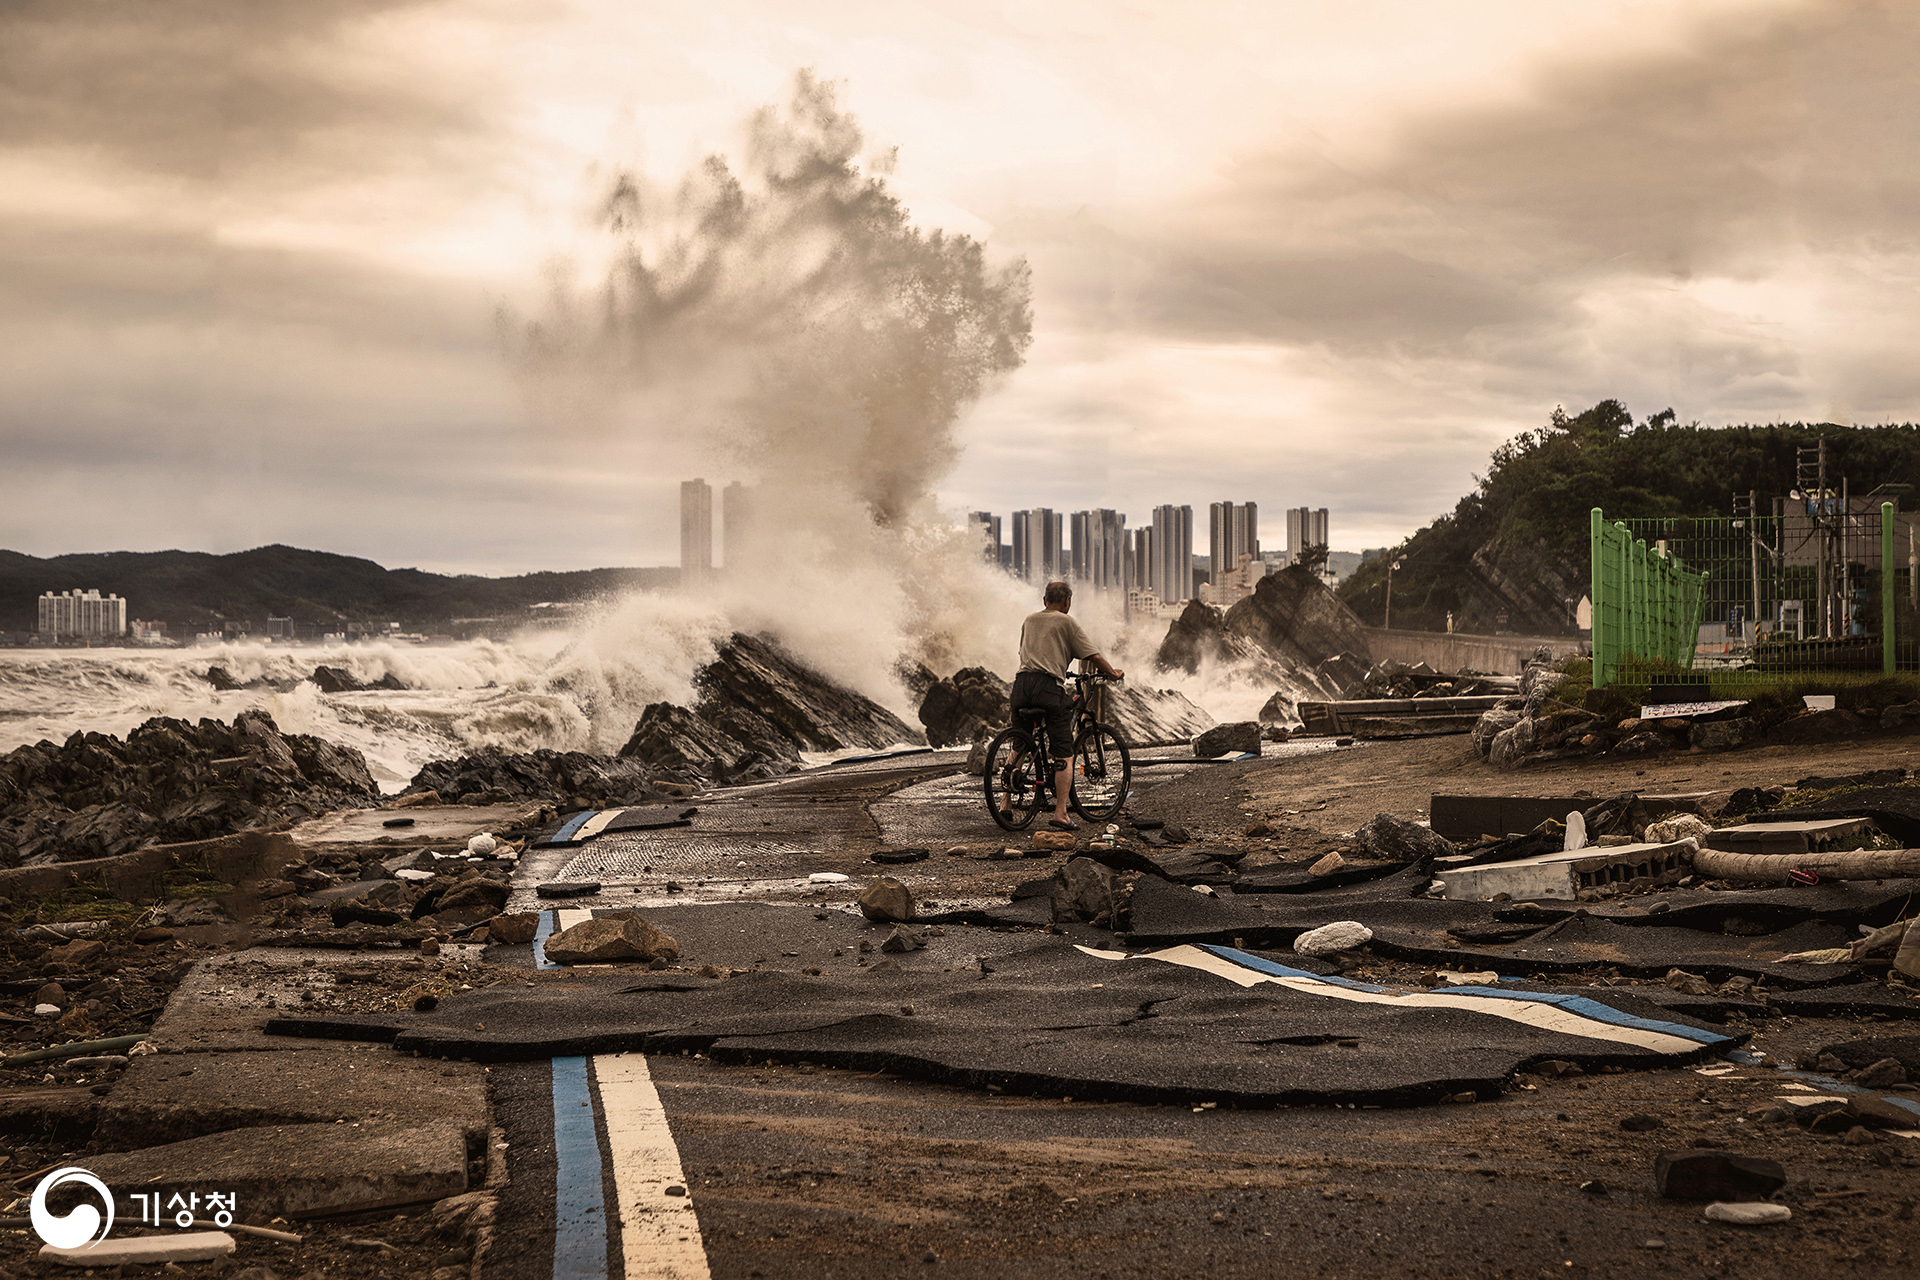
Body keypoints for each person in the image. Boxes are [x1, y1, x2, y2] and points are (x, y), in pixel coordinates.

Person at [1004, 580, 1124, 830]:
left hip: (1020, 686)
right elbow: (1093, 655)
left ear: (1044, 599)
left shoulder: (1029, 620)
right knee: (1064, 751)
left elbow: (1029, 653)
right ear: (1067, 601)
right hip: (1047, 688)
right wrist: (1112, 673)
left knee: (1021, 743)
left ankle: (1004, 802)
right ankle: (1060, 813)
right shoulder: (1067, 621)